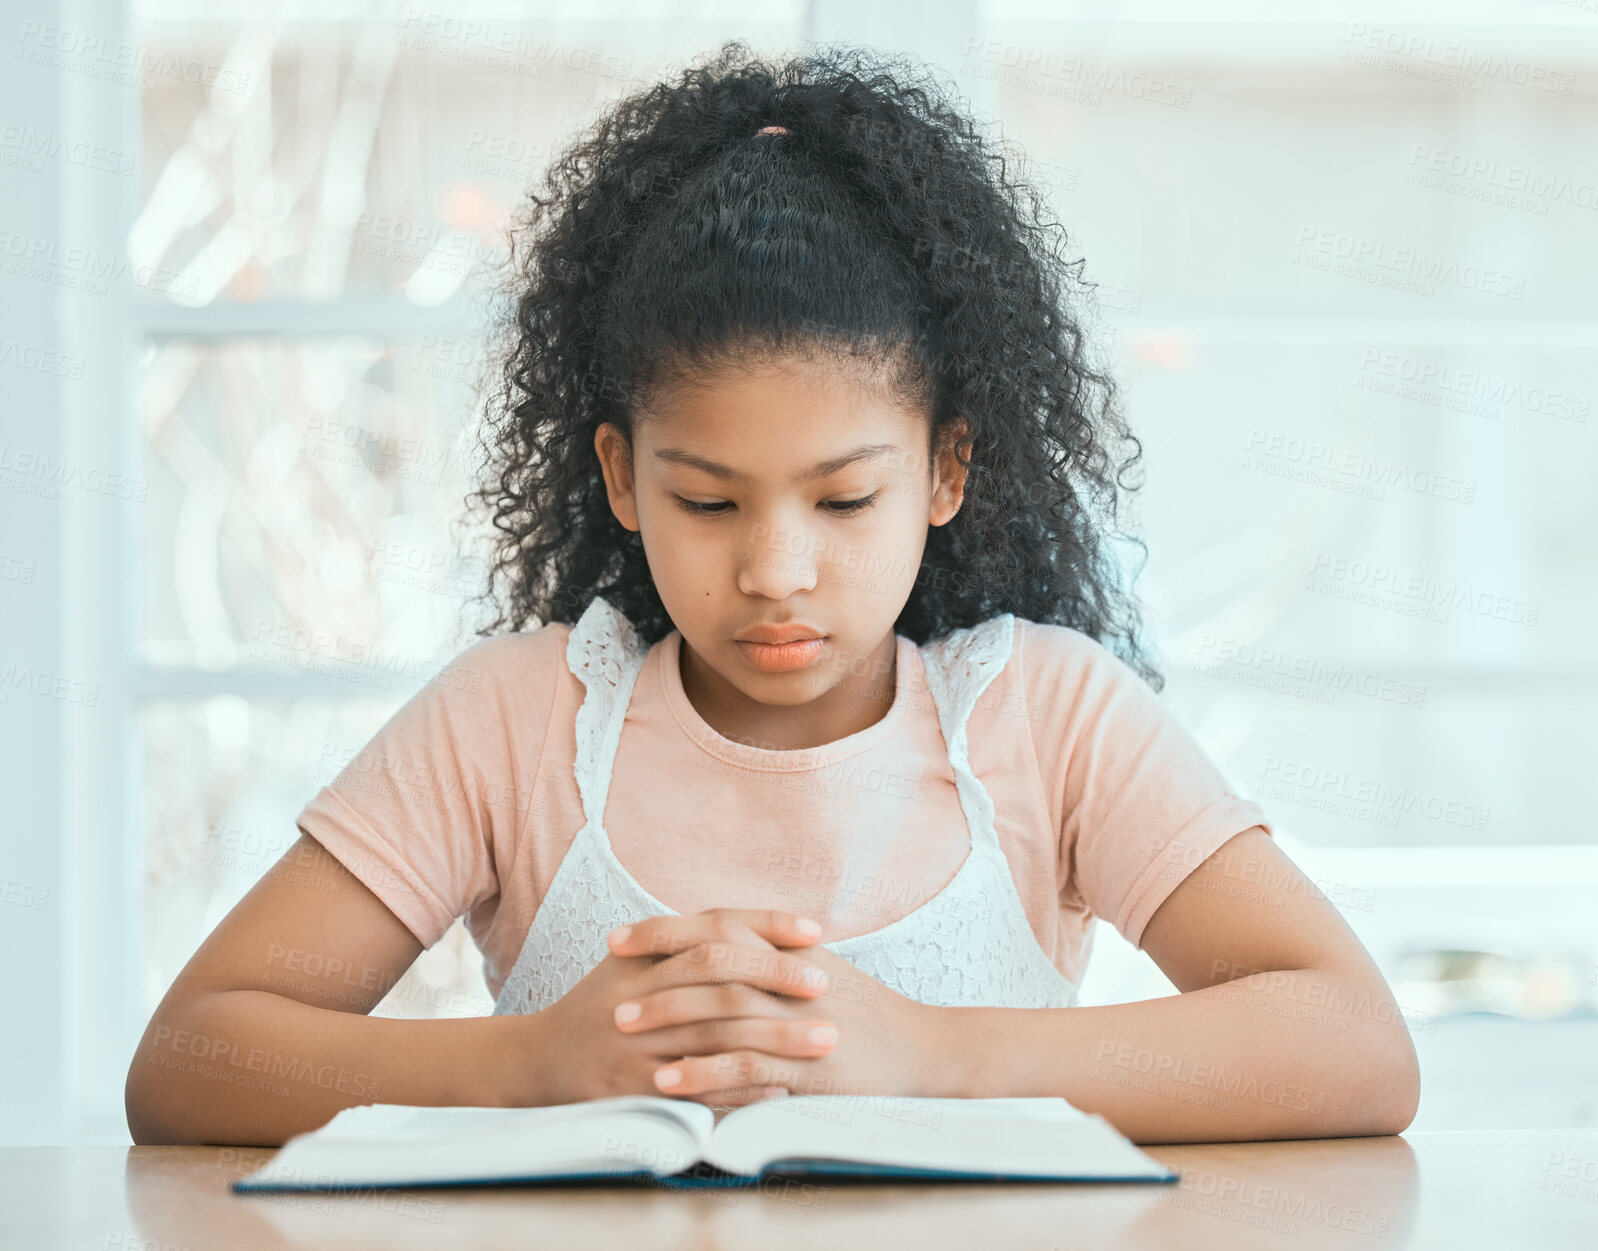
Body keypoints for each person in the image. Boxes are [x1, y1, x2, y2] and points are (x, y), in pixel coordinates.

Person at [125, 40, 1419, 1147]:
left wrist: (931, 1057)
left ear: (945, 470)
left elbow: (1353, 1046)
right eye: (706, 500)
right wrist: (525, 1071)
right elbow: (191, 1060)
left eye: (846, 501)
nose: (775, 572)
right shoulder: (512, 725)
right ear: (622, 480)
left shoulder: (1046, 722)